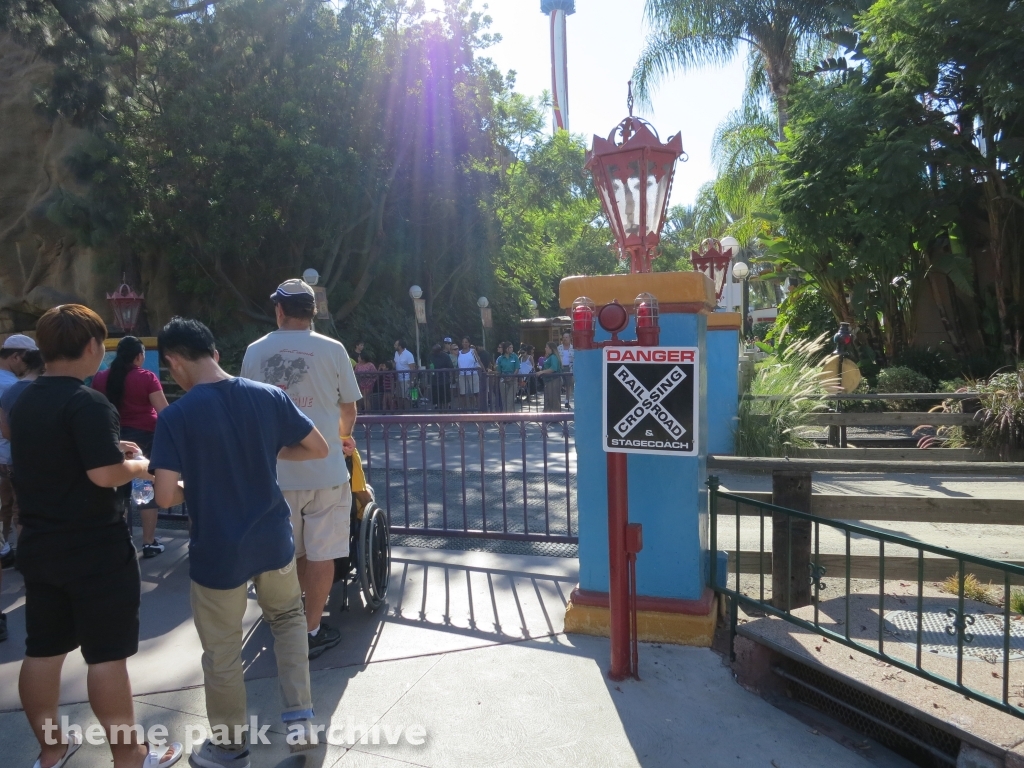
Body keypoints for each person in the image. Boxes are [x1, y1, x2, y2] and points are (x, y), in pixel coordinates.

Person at [151, 317, 328, 767]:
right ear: (213, 351)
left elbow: (166, 495)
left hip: (218, 551)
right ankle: (302, 724)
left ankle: (229, 747)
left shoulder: (176, 416)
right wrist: (268, 450)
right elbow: (318, 447)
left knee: (223, 651)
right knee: (288, 622)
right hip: (274, 541)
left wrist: (200, 479)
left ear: (174, 361)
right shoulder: (268, 397)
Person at [13, 305, 182, 768]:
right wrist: (140, 463)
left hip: (40, 544)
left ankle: (51, 751)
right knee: (107, 656)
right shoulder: (86, 402)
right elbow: (106, 475)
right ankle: (130, 756)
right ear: (92, 347)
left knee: (42, 650)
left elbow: (60, 456)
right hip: (94, 548)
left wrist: (113, 451)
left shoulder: (23, 401)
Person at [241, 278, 362, 660]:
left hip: (275, 471)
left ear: (279, 310)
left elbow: (248, 411)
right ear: (313, 311)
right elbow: (349, 408)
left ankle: (286, 626)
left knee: (284, 554)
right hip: (325, 469)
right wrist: (339, 437)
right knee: (322, 552)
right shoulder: (334, 349)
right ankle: (309, 630)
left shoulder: (256, 352)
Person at [91, 336, 170, 558]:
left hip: (114, 438)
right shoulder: (146, 377)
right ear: (138, 356)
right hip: (145, 439)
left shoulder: (101, 378)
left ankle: (118, 541)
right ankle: (149, 542)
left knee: (117, 491)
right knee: (144, 488)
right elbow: (164, 412)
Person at [0, 333, 33, 574]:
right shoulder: (11, 386)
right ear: (15, 357)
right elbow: (10, 431)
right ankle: (22, 556)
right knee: (20, 509)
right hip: (10, 456)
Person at [456, 337, 482, 409]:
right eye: (463, 342)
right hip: (462, 375)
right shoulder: (459, 353)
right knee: (463, 393)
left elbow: (478, 361)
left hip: (472, 374)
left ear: (469, 343)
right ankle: (464, 409)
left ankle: (476, 408)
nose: (465, 343)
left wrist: (483, 370)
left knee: (475, 392)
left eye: (466, 342)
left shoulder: (472, 351)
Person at [537, 340, 563, 412]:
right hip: (548, 380)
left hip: (554, 380)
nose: (545, 349)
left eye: (547, 347)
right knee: (548, 398)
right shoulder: (549, 357)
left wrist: (542, 372)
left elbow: (553, 368)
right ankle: (547, 415)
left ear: (551, 349)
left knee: (554, 398)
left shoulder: (553, 357)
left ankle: (555, 416)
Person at [495, 342, 519, 413]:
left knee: (510, 399)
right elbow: (499, 371)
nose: (512, 349)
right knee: (504, 399)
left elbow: (517, 368)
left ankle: (508, 417)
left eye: (512, 347)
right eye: (510, 347)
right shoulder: (500, 358)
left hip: (513, 380)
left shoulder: (515, 356)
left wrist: (512, 376)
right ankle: (505, 416)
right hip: (503, 380)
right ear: (506, 349)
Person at [393, 339, 416, 409]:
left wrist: (412, 381)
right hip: (398, 379)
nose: (394, 346)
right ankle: (400, 412)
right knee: (398, 396)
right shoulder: (396, 354)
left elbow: (413, 369)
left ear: (400, 346)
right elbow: (395, 364)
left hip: (406, 379)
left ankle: (407, 413)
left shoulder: (408, 354)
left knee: (406, 397)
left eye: (396, 345)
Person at [429, 343, 453, 410]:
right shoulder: (432, 356)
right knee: (437, 399)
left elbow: (451, 367)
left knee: (445, 399)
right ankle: (439, 414)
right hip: (435, 380)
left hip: (444, 380)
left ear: (439, 350)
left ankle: (445, 414)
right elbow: (430, 365)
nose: (435, 353)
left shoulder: (445, 356)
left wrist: (444, 369)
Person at [557, 331, 575, 409]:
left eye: (566, 337)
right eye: (564, 337)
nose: (565, 339)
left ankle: (567, 401)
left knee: (569, 385)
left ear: (570, 338)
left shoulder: (573, 348)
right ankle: (557, 402)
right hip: (561, 368)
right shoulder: (559, 348)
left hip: (569, 368)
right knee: (559, 384)